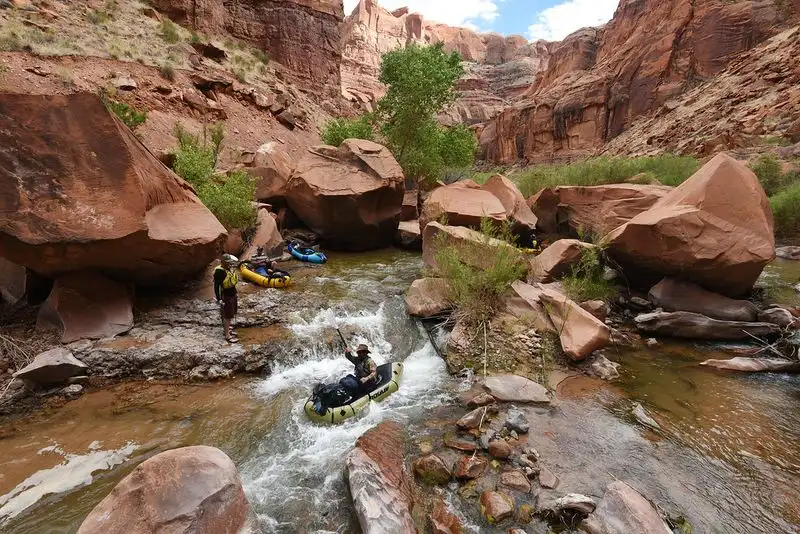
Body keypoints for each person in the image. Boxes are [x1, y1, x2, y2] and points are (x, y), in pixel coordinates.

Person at [214, 254, 240, 343]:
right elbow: (216, 286)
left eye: (229, 262)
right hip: (226, 295)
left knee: (232, 312)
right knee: (227, 315)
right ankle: (227, 335)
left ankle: (228, 329)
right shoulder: (219, 272)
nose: (228, 264)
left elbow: (231, 280)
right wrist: (219, 299)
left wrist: (236, 293)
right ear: (222, 262)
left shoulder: (229, 268)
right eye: (226, 262)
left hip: (232, 293)